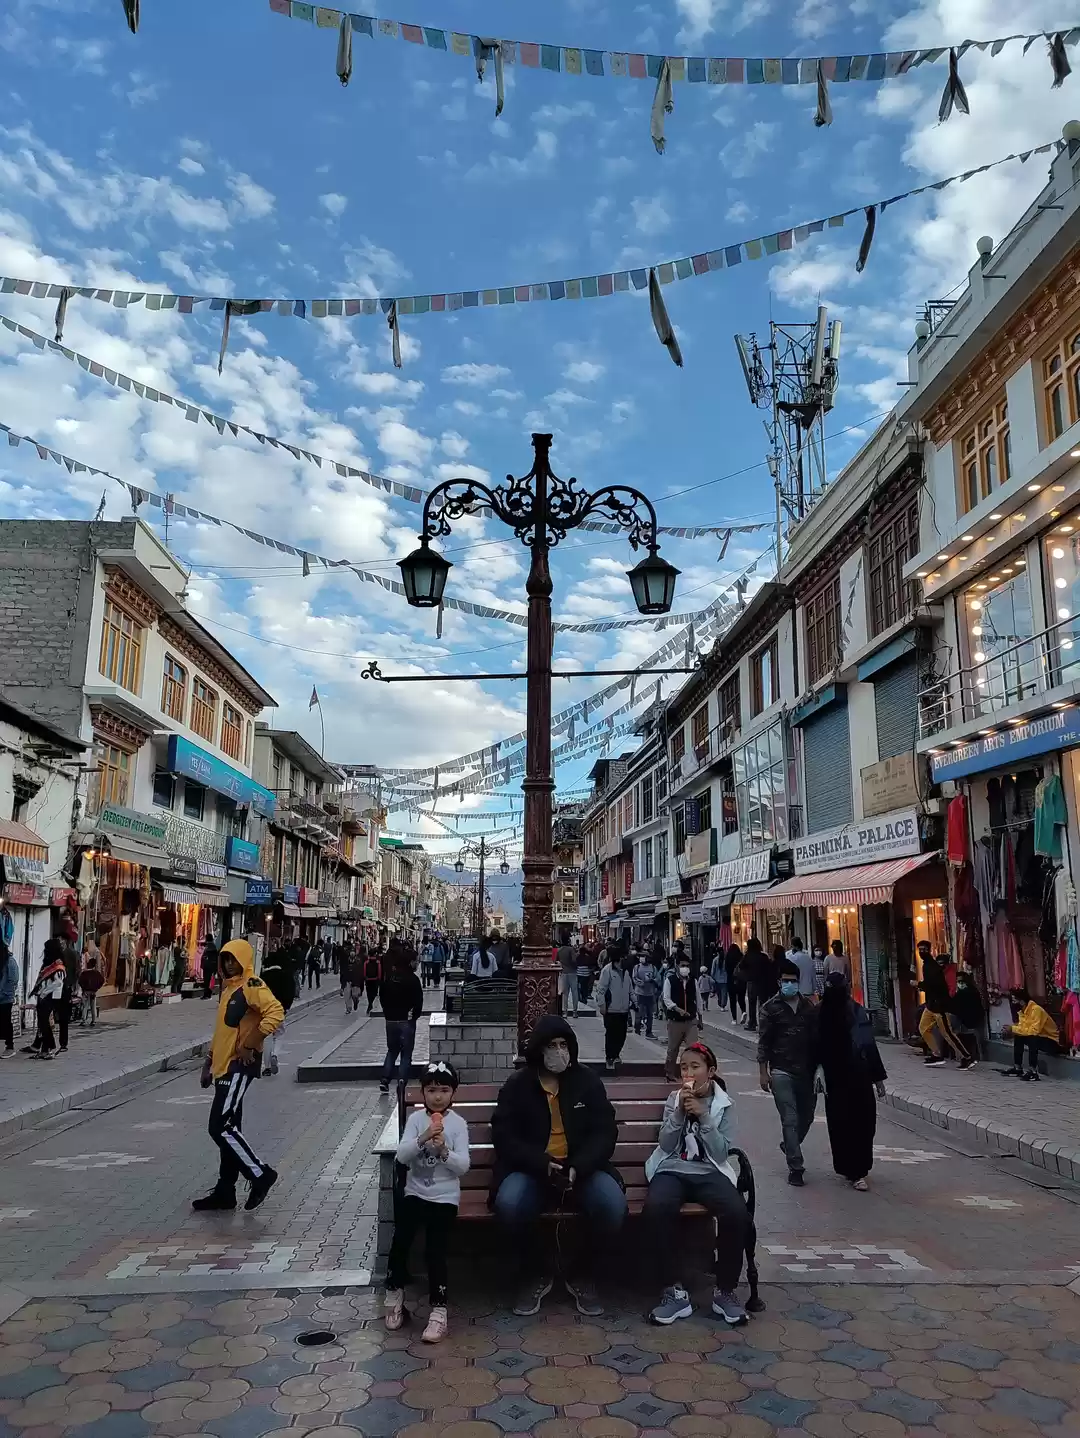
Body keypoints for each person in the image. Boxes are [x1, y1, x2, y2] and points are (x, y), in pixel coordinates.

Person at [491, 1015, 626, 1317]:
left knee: (612, 1205)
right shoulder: (518, 1085)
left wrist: (580, 1165)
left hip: (581, 1170)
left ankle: (582, 1273)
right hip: (533, 1170)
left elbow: (605, 1131)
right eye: (551, 1045)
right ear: (539, 1049)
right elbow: (503, 1136)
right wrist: (540, 1162)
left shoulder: (586, 1081)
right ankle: (535, 1271)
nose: (559, 1052)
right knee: (509, 1204)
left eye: (564, 1045)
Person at [643, 1041, 751, 1326]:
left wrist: (704, 1116)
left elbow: (720, 1153)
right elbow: (665, 1144)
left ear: (710, 1071)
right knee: (657, 1207)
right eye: (684, 1068)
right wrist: (679, 1113)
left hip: (709, 1172)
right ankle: (673, 1291)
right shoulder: (674, 1099)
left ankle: (725, 1290)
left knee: (736, 1212)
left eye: (695, 1067)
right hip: (672, 1169)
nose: (688, 1073)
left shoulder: (724, 1105)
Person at [192, 939, 284, 1212]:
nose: (230, 964)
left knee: (219, 1127)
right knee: (230, 1129)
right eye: (226, 959)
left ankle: (260, 1174)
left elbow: (275, 1012)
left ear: (245, 959)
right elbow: (222, 1031)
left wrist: (251, 1043)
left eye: (234, 959)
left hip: (238, 1066)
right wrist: (209, 1062)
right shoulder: (228, 988)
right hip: (223, 1066)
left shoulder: (252, 985)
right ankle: (225, 1190)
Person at [384, 1060, 470, 1343]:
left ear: (453, 1093)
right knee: (401, 1240)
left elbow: (463, 1166)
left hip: (444, 1197)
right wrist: (422, 1139)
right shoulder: (416, 1121)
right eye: (431, 1090)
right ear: (422, 1092)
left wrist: (444, 1151)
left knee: (436, 1249)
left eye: (444, 1090)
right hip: (415, 1192)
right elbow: (401, 1156)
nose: (437, 1097)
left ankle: (439, 1310)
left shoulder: (457, 1125)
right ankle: (394, 1295)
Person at [817, 971, 887, 1191]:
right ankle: (852, 1170)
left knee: (865, 1123)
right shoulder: (819, 1014)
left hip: (860, 1076)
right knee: (841, 1125)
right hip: (835, 1080)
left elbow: (868, 1044)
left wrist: (878, 1078)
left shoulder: (856, 1011)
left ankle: (860, 1168)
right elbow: (812, 1047)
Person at [757, 958, 818, 1187]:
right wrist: (763, 1072)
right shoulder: (769, 1008)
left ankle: (790, 1144)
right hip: (781, 1070)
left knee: (807, 1117)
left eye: (793, 981)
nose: (789, 985)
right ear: (779, 982)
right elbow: (763, 1042)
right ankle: (796, 1166)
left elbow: (818, 1039)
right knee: (789, 1119)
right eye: (785, 981)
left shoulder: (809, 1007)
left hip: (807, 1071)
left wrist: (821, 1069)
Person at [914, 943, 973, 1068]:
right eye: (920, 950)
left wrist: (919, 984)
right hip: (930, 1005)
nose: (922, 952)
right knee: (923, 1028)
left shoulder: (933, 967)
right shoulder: (927, 965)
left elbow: (935, 986)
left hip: (940, 1006)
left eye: (924, 949)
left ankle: (966, 1057)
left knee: (947, 1033)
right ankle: (936, 1054)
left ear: (929, 950)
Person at [379, 947, 424, 1093]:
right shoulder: (413, 979)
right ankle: (402, 1082)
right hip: (406, 1021)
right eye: (416, 961)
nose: (417, 964)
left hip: (390, 1020)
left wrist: (387, 1012)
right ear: (410, 962)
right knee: (406, 1054)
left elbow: (382, 996)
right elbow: (418, 1001)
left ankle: (385, 1079)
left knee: (392, 1051)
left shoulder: (390, 978)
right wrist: (414, 1015)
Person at [1003, 989, 1061, 1080]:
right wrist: (1012, 1030)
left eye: (1014, 1000)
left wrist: (1013, 1028)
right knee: (1018, 1036)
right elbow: (1023, 1029)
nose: (1013, 1003)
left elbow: (1034, 1031)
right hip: (1040, 1038)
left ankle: (1033, 1071)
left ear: (1022, 1001)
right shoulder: (1022, 1011)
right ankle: (1018, 1068)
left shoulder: (1036, 1009)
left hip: (1052, 1042)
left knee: (1033, 1038)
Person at [662, 950, 700, 1082]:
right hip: (675, 1020)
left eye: (687, 966)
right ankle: (670, 1072)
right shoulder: (670, 980)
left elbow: (698, 999)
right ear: (677, 966)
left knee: (694, 1048)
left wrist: (700, 1017)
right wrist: (677, 1009)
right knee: (673, 1049)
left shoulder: (693, 981)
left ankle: (693, 1074)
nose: (685, 968)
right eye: (683, 965)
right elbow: (666, 999)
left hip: (690, 1020)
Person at [259, 945, 296, 1077]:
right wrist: (286, 1007)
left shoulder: (263, 977)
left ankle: (267, 1066)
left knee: (266, 1036)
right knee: (279, 1034)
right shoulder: (286, 976)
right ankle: (275, 1054)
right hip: (280, 1009)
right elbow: (291, 992)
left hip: (264, 1010)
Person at [25, 940, 66, 1059]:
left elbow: (58, 983)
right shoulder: (50, 964)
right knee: (42, 1023)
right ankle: (44, 1050)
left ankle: (50, 1047)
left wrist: (44, 992)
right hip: (44, 996)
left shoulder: (58, 966)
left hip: (50, 997)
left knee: (44, 1024)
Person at [594, 946, 633, 1071]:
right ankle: (610, 1057)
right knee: (611, 1034)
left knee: (622, 1034)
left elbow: (630, 989)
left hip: (624, 1009)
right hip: (611, 1009)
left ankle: (616, 1054)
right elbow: (601, 990)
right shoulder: (607, 971)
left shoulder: (626, 971)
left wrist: (634, 1002)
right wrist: (602, 1005)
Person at [950, 970, 987, 1061]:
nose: (959, 984)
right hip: (970, 1019)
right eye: (957, 982)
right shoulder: (970, 990)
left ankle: (958, 1054)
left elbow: (956, 1007)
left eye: (961, 981)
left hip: (971, 1020)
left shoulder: (966, 992)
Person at [632, 950, 661, 1037]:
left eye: (644, 956)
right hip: (639, 993)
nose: (642, 958)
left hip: (650, 994)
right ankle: (637, 1030)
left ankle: (649, 1031)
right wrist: (642, 983)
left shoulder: (653, 968)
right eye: (641, 956)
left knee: (650, 1014)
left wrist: (653, 981)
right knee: (639, 1012)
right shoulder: (637, 967)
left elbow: (658, 978)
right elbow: (634, 978)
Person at [0, 937, 17, 1056]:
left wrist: (4, 993)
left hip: (5, 997)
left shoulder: (10, 961)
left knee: (6, 1021)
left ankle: (10, 1046)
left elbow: (13, 980)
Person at [78, 953, 104, 1028]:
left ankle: (83, 1020)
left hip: (86, 991)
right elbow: (102, 981)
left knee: (85, 1006)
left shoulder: (84, 973)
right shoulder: (97, 973)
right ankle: (93, 1020)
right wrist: (96, 988)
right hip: (93, 992)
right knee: (93, 1006)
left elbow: (80, 981)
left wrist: (83, 988)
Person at [556, 934, 579, 1018]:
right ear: (568, 940)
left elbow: (556, 961)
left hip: (563, 972)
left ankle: (565, 1012)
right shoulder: (571, 949)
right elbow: (574, 960)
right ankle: (575, 1012)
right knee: (574, 992)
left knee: (565, 993)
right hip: (572, 972)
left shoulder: (559, 950)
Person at [725, 941, 745, 1024]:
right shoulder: (741, 956)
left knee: (732, 1000)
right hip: (741, 980)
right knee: (741, 998)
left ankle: (734, 1019)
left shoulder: (728, 957)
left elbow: (726, 969)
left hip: (731, 980)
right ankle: (743, 1012)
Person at [347, 947, 367, 1014]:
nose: (352, 953)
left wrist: (361, 980)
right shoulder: (347, 960)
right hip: (348, 979)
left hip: (356, 980)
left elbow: (360, 971)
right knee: (349, 995)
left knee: (354, 995)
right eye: (351, 952)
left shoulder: (358, 960)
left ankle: (356, 1002)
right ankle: (349, 1007)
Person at [363, 948, 383, 1015]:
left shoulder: (366, 962)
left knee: (369, 993)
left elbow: (364, 972)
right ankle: (371, 1004)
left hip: (368, 980)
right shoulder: (378, 962)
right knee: (374, 993)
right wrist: (379, 979)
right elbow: (379, 972)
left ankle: (370, 1003)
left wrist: (365, 978)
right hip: (375, 980)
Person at [710, 946, 728, 1011]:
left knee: (719, 993)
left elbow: (713, 970)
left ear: (717, 952)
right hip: (725, 979)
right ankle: (723, 1006)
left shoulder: (715, 960)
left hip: (717, 979)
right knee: (724, 993)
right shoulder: (725, 959)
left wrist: (712, 977)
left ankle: (720, 1003)